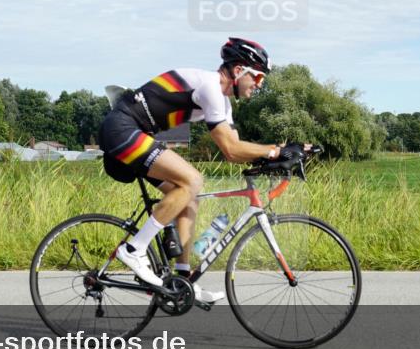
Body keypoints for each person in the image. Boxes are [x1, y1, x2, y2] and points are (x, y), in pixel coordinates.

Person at [98, 38, 306, 302]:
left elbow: (237, 150)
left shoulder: (223, 103)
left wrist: (283, 154)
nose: (259, 84)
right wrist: (275, 151)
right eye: (258, 76)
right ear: (239, 70)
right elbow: (231, 149)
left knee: (189, 198)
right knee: (193, 180)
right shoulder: (210, 87)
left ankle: (182, 282)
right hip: (122, 128)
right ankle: (134, 250)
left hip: (137, 132)